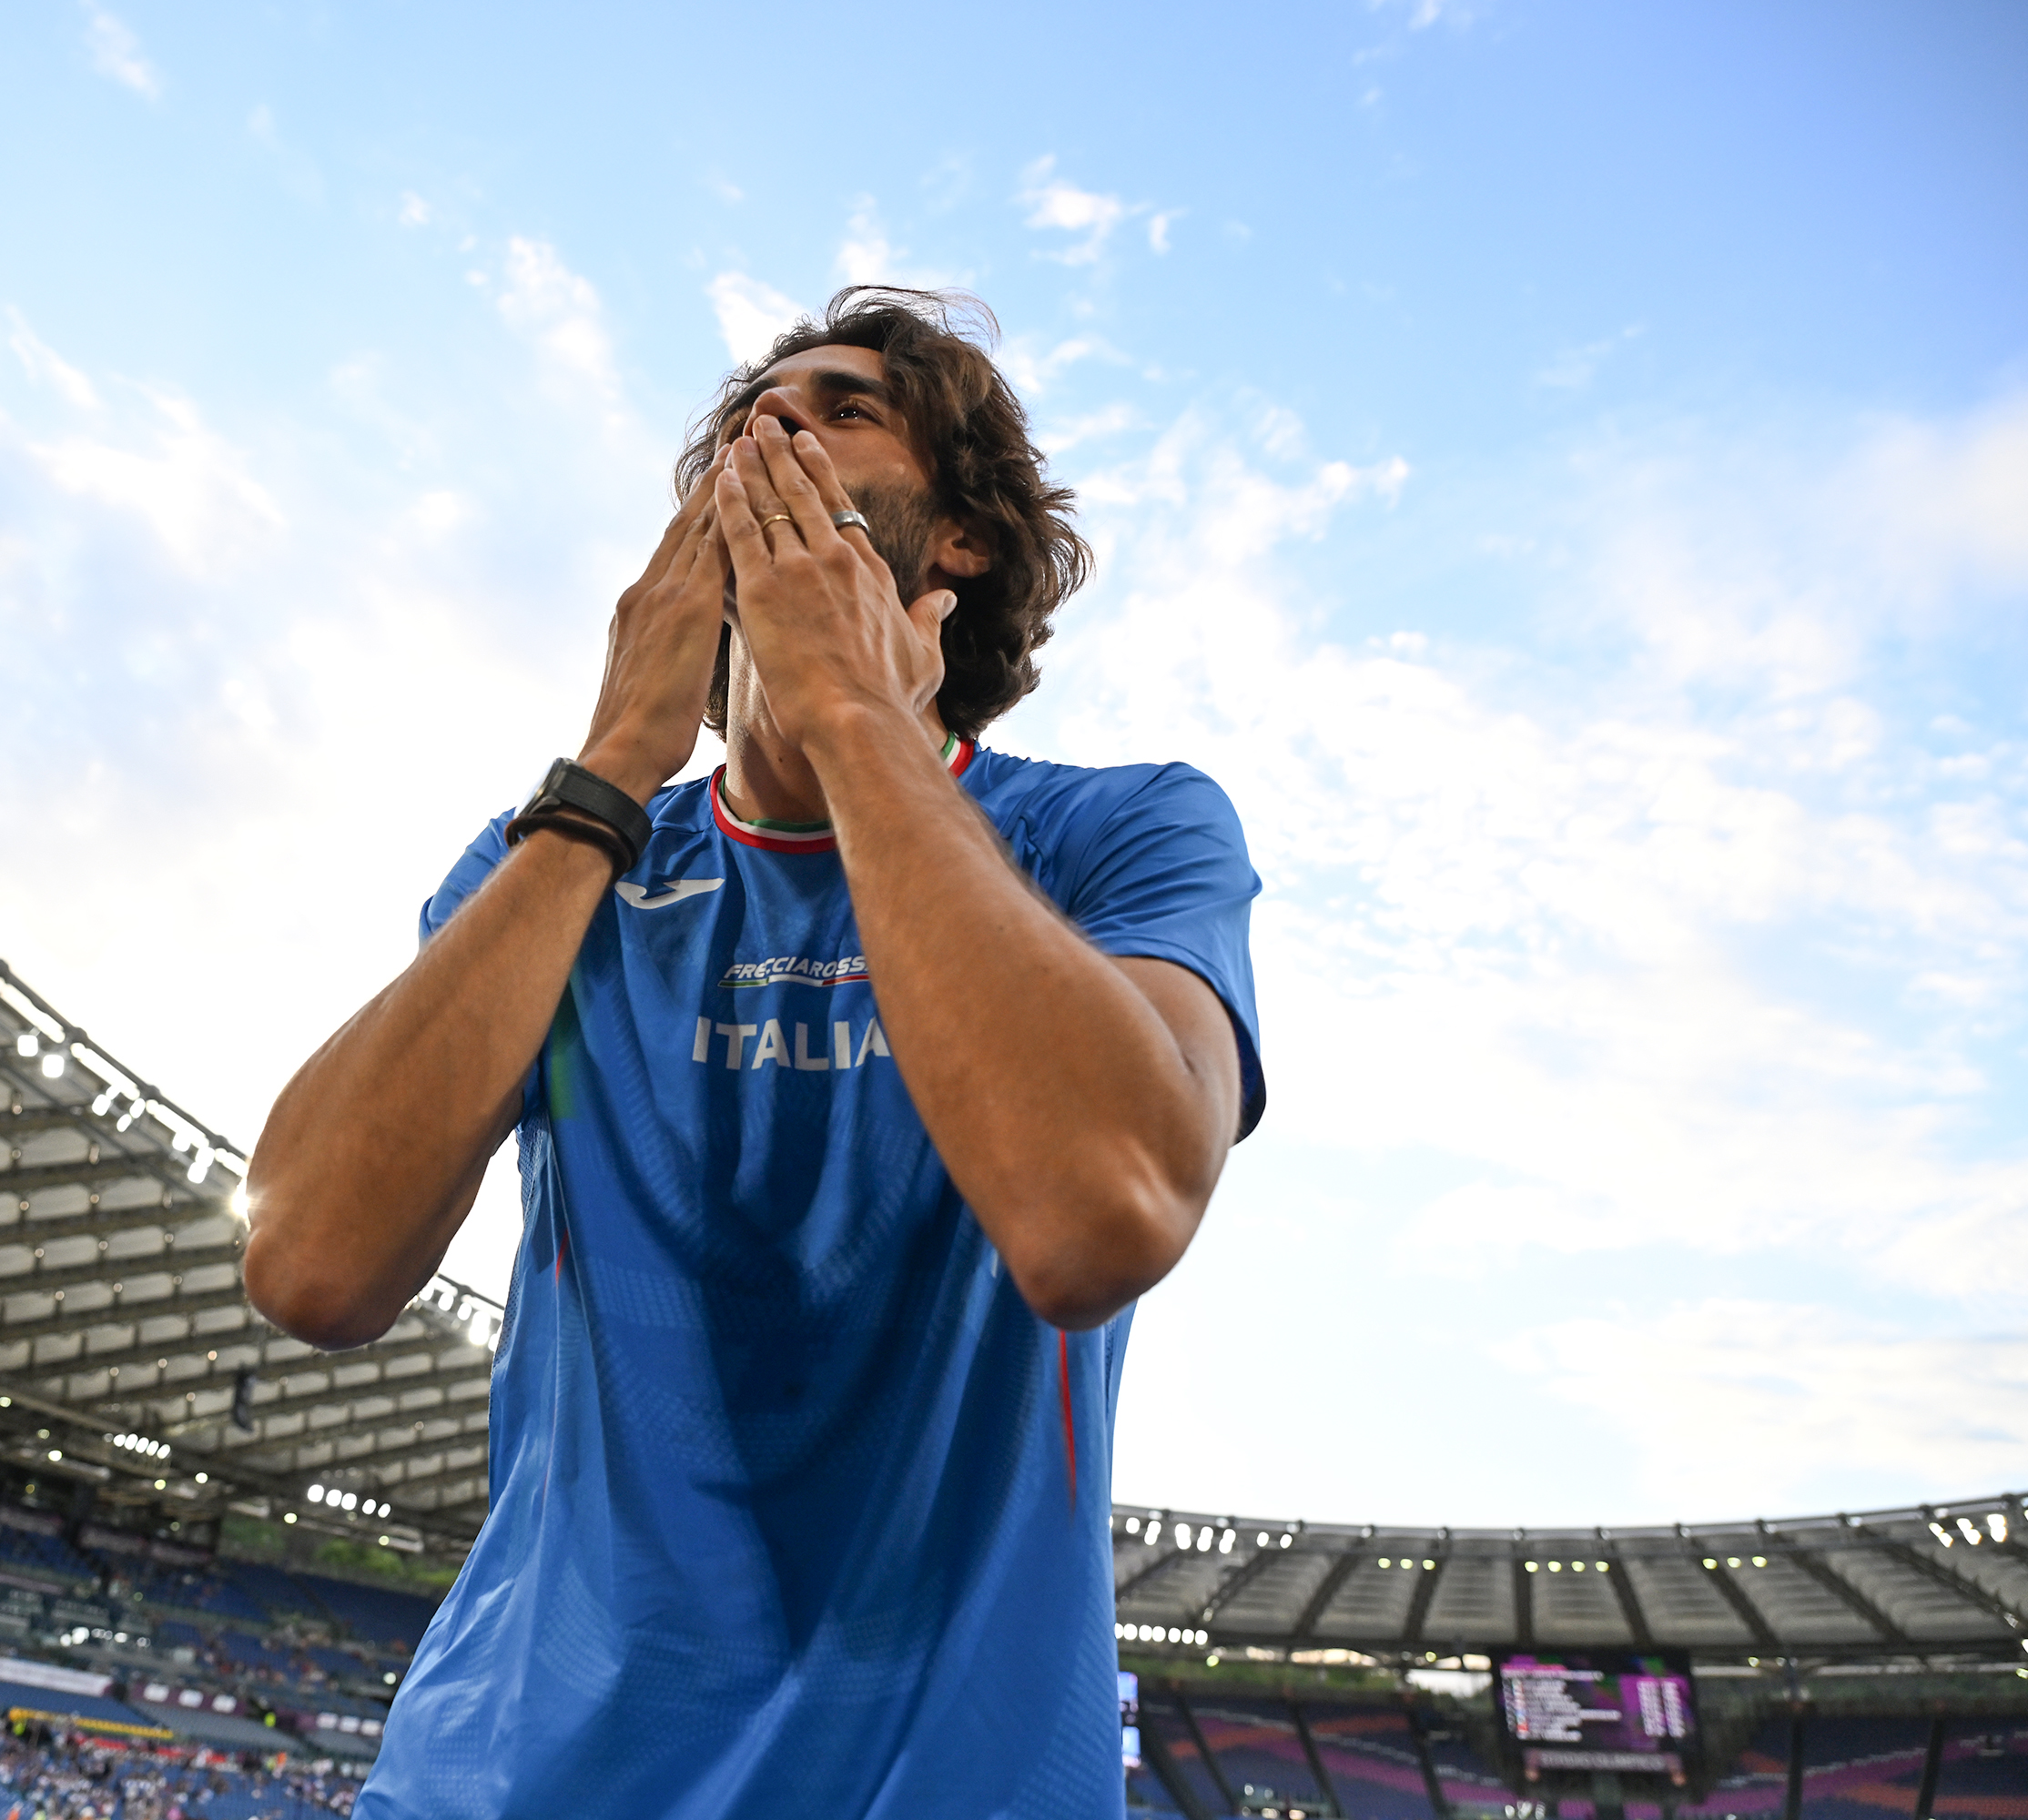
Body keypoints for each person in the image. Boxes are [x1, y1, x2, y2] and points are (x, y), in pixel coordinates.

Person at [243, 286, 1264, 1816]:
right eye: (751, 416)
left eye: (843, 411)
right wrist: (612, 764)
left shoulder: (1120, 830)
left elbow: (1098, 1214)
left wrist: (854, 713)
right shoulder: (562, 858)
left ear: (960, 540)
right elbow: (311, 1266)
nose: (773, 425)